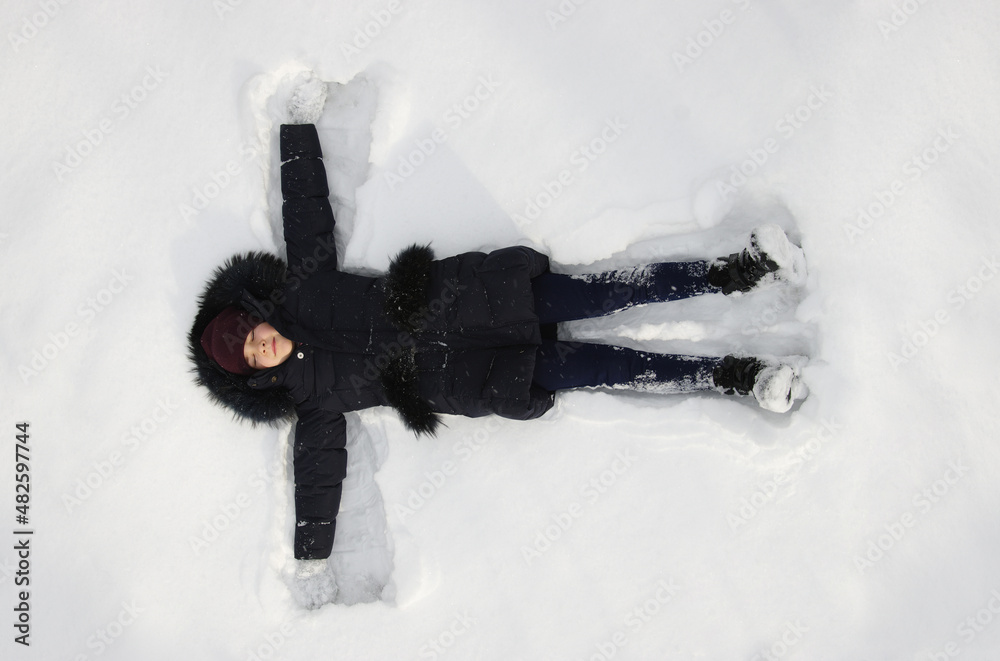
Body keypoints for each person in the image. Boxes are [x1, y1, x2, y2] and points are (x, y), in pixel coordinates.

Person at [188, 78, 807, 563]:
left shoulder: (307, 282)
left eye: (252, 332)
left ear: (257, 313)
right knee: (613, 366)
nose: (261, 345)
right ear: (254, 376)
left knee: (603, 296)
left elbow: (305, 208)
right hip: (478, 372)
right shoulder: (308, 399)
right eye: (251, 356)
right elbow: (316, 474)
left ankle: (734, 270)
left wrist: (297, 124)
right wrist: (311, 552)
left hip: (479, 302)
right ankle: (737, 378)